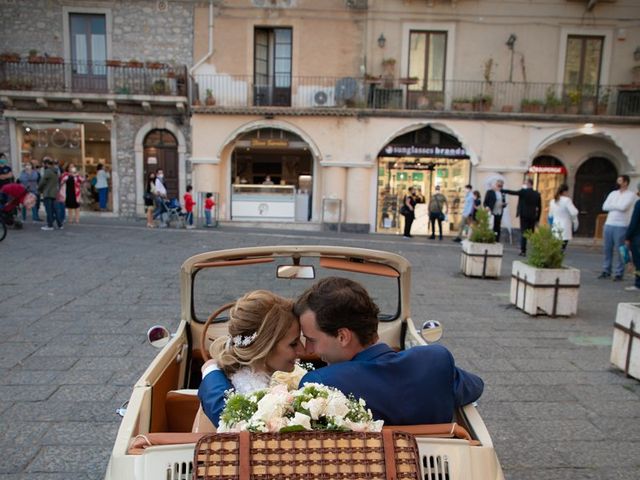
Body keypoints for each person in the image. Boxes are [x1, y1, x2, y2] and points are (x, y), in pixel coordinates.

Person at [293, 277, 483, 425]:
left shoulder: (319, 383)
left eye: (311, 340)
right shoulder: (434, 361)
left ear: (343, 336)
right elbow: (476, 386)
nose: (308, 349)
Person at [198, 290, 305, 427]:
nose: (303, 350)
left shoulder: (224, 381)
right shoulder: (251, 405)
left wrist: (210, 369)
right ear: (264, 348)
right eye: (293, 343)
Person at [599, 175, 637, 281]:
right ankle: (606, 270)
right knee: (607, 248)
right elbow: (604, 206)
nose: (618, 182)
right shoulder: (613, 193)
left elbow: (624, 207)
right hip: (609, 223)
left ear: (625, 182)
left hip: (622, 225)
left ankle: (619, 272)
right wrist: (616, 206)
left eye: (620, 181)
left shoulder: (631, 195)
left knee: (621, 249)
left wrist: (613, 206)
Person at [502, 178, 542, 256]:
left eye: (526, 183)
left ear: (529, 184)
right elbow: (540, 207)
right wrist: (538, 218)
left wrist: (503, 190)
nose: (525, 184)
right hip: (532, 216)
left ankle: (523, 250)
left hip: (524, 215)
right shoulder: (537, 194)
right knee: (531, 233)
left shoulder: (523, 192)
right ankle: (536, 249)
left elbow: (513, 192)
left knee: (523, 232)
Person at [549, 184, 579, 252]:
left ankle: (554, 253)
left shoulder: (553, 201)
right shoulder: (567, 200)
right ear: (565, 192)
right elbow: (573, 212)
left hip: (555, 223)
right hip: (565, 224)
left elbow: (550, 214)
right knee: (564, 241)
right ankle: (560, 253)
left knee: (556, 240)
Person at [38, 158, 62, 231]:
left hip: (48, 192)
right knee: (55, 210)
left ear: (46, 164)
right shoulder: (56, 171)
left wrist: (39, 189)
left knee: (49, 210)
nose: (43, 165)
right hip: (54, 193)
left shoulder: (48, 171)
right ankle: (60, 224)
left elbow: (42, 182)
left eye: (44, 164)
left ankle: (50, 225)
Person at [624, 183, 640, 292]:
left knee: (638, 261)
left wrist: (627, 236)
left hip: (637, 236)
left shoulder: (639, 203)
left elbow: (634, 221)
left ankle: (638, 284)